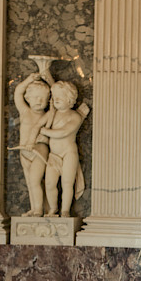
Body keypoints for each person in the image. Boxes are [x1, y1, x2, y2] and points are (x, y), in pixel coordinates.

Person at [40, 81, 87, 218]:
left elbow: (63, 132)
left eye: (60, 96)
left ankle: (65, 210)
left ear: (70, 99)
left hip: (68, 154)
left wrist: (45, 131)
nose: (56, 99)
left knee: (67, 183)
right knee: (49, 183)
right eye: (54, 96)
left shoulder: (74, 116)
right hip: (53, 155)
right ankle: (53, 209)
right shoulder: (52, 114)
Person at [11, 72, 53, 217]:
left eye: (43, 99)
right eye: (35, 98)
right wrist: (29, 79)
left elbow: (57, 101)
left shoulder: (47, 115)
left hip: (39, 152)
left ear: (48, 100)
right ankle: (34, 207)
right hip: (24, 153)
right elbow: (18, 92)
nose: (39, 101)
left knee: (35, 181)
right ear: (28, 98)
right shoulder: (24, 111)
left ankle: (39, 211)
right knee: (30, 183)